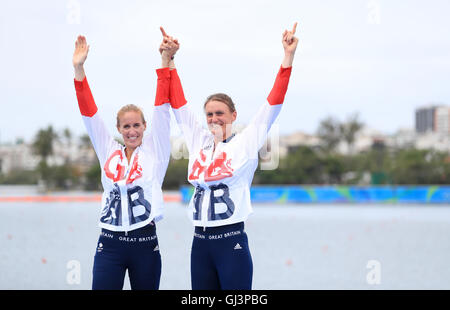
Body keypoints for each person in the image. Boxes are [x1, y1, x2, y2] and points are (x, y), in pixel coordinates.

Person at [160, 23, 299, 289]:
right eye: (209, 114)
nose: (214, 118)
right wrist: (170, 60)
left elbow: (273, 103)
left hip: (231, 241)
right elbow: (178, 104)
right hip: (199, 244)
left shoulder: (246, 143)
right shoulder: (198, 141)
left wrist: (288, 56)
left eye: (220, 113)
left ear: (233, 116)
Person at [72, 34, 178, 290]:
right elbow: (89, 114)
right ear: (118, 129)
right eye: (126, 126)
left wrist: (165, 60)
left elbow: (162, 107)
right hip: (109, 244)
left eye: (137, 125)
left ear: (145, 127)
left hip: (145, 244)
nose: (132, 131)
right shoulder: (108, 149)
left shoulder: (156, 149)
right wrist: (79, 69)